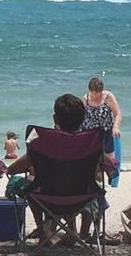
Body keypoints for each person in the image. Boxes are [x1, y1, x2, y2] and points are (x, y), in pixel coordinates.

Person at [8, 94, 118, 245]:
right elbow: (109, 163)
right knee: (78, 183)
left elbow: (22, 164)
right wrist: (109, 169)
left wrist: (7, 170)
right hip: (81, 197)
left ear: (55, 119)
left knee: (26, 184)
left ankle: (42, 234)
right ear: (82, 118)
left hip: (46, 197)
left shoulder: (41, 139)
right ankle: (74, 233)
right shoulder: (89, 142)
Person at [81, 76, 122, 187]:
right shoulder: (85, 99)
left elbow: (117, 113)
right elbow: (80, 117)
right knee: (92, 160)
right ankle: (94, 179)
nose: (96, 95)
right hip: (90, 133)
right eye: (93, 93)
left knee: (108, 158)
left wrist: (116, 127)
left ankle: (111, 177)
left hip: (106, 131)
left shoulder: (108, 96)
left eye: (98, 93)